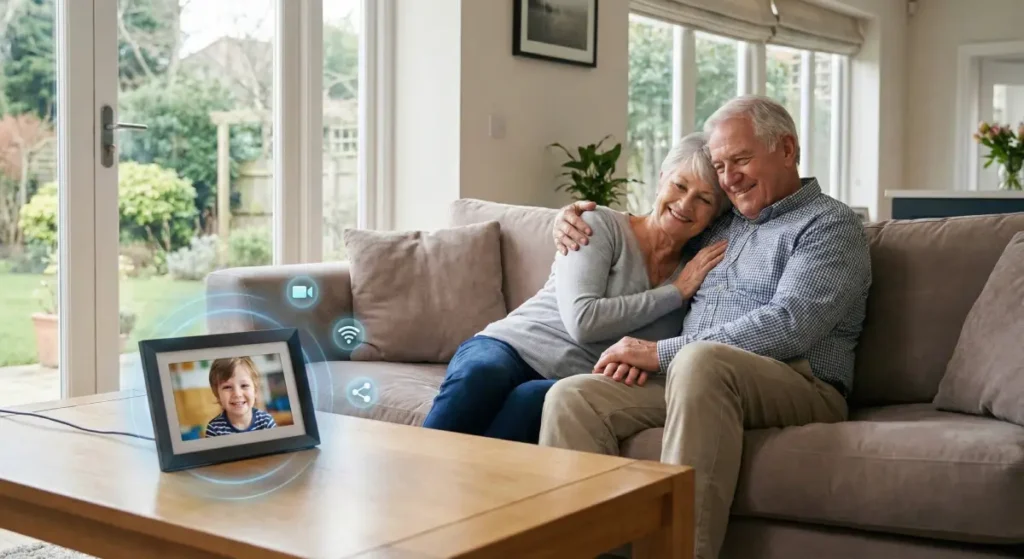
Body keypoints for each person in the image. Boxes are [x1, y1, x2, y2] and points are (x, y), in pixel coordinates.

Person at [543, 95, 871, 559]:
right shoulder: (724, 223)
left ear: (787, 150)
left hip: (802, 381)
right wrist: (571, 218)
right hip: (697, 376)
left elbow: (791, 324)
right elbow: (659, 222)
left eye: (740, 160)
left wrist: (660, 354)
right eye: (720, 165)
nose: (729, 178)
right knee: (573, 397)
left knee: (700, 361)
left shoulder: (829, 225)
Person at [421, 133, 730, 444]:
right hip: (512, 345)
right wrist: (675, 292)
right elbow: (583, 321)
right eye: (679, 185)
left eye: (704, 199)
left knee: (532, 401)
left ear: (716, 215)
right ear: (662, 179)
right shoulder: (598, 224)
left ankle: (478, 490)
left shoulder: (703, 268)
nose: (685, 204)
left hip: (573, 377)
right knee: (481, 376)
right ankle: (415, 479)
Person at [204, 356, 277, 437]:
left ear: (255, 390)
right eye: (227, 387)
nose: (237, 394)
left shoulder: (266, 422)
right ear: (217, 394)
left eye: (244, 385)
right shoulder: (214, 429)